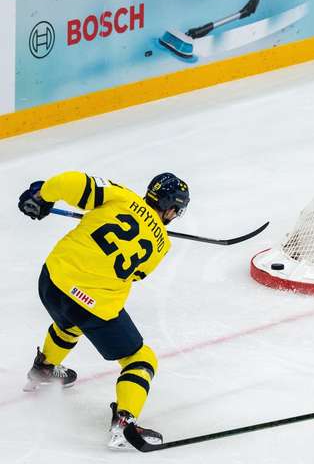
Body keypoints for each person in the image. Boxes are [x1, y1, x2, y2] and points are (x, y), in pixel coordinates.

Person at [17, 171, 189, 449]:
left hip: (52, 281)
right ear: (171, 209)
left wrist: (42, 196)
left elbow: (68, 182)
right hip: (91, 305)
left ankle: (44, 369)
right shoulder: (162, 246)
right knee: (140, 359)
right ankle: (124, 422)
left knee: (68, 321)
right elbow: (135, 275)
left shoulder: (120, 196)